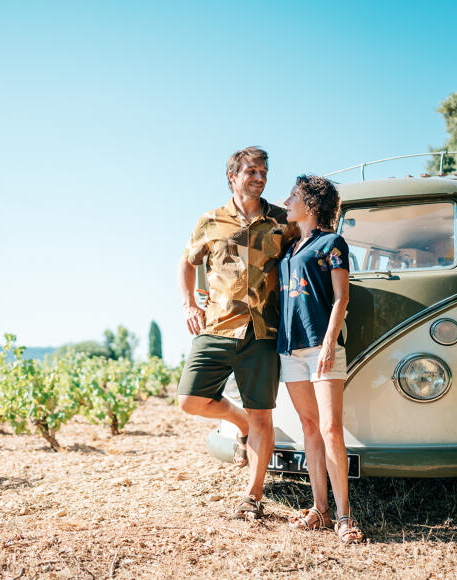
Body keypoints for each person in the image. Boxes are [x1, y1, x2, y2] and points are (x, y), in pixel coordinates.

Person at [177, 146, 296, 519]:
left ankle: (252, 497)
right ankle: (237, 422)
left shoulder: (282, 221)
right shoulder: (210, 220)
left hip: (263, 330)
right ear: (233, 176)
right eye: (252, 172)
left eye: (264, 172)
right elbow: (186, 261)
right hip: (217, 325)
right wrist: (189, 304)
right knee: (189, 400)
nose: (260, 179)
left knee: (263, 415)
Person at [277, 174, 364, 543]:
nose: (286, 201)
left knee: (330, 428)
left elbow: (341, 298)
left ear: (311, 204)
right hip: (291, 350)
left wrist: (329, 342)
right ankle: (320, 510)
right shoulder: (288, 251)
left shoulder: (333, 243)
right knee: (309, 428)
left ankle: (344, 516)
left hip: (323, 347)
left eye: (293, 196)